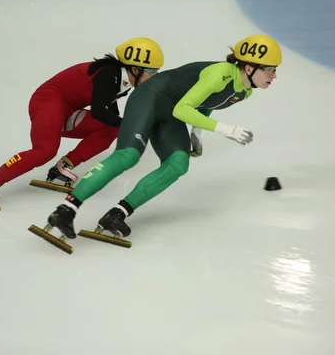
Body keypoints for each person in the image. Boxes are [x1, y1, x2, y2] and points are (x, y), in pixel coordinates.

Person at [43, 34, 282, 240]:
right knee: (128, 156)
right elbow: (183, 110)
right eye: (269, 69)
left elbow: (206, 103)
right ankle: (65, 210)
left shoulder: (245, 91)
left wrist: (197, 133)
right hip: (151, 97)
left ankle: (117, 214)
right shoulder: (220, 73)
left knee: (178, 165)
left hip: (172, 110)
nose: (273, 76)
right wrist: (225, 129)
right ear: (249, 68)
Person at [0, 37, 165, 206]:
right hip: (48, 101)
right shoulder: (109, 75)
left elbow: (107, 110)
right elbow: (97, 111)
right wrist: (129, 124)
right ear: (135, 68)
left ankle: (63, 166)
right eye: (152, 72)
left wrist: (124, 124)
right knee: (44, 150)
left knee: (110, 128)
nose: (154, 77)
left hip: (67, 109)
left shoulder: (123, 80)